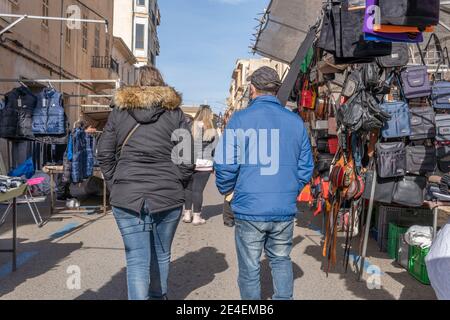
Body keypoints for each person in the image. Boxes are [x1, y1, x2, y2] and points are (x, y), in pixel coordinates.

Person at [214, 66, 314, 300]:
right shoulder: (295, 121)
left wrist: (228, 191)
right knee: (281, 261)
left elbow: (225, 164)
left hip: (250, 207)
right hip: (283, 208)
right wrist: (291, 190)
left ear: (252, 89)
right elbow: (305, 166)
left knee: (250, 269)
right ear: (276, 90)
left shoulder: (240, 120)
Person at [98, 66, 194, 300]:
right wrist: (175, 181)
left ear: (138, 84)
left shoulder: (119, 112)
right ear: (162, 84)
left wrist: (115, 182)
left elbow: (104, 153)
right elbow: (187, 159)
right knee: (161, 254)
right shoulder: (176, 114)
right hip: (167, 195)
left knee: (137, 259)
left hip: (127, 195)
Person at [183, 105, 218, 225]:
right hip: (205, 164)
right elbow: (215, 149)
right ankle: (197, 217)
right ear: (209, 115)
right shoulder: (212, 130)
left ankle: (187, 214)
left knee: (188, 189)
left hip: (190, 162)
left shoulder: (190, 127)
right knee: (198, 190)